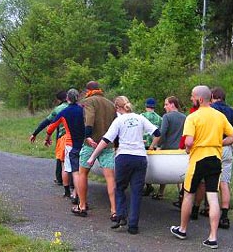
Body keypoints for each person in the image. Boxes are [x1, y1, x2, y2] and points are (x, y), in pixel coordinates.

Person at [170, 85, 233, 249]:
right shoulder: (220, 116)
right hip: (215, 158)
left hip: (198, 159)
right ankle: (213, 237)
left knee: (188, 195)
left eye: (192, 96)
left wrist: (187, 149)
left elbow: (189, 141)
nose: (191, 99)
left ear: (200, 99)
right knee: (213, 196)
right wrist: (219, 143)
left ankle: (183, 229)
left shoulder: (193, 117)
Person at [87, 96, 160, 234]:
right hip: (140, 158)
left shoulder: (118, 120)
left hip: (124, 157)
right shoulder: (140, 118)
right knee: (137, 192)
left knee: (120, 188)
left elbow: (105, 140)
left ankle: (121, 217)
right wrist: (151, 146)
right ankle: (133, 226)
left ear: (117, 108)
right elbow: (157, 133)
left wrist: (92, 157)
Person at [206, 86, 233, 229]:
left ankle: (206, 208)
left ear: (212, 96)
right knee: (224, 182)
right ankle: (224, 216)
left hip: (212, 147)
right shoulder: (232, 112)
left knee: (208, 179)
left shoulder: (210, 110)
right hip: (227, 148)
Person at [77, 81, 117, 219]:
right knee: (110, 177)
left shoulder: (89, 101)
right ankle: (114, 210)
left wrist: (87, 135)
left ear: (88, 90)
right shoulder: (111, 104)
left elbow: (90, 118)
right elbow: (115, 124)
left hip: (91, 143)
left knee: (83, 173)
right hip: (107, 145)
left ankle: (82, 206)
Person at [44, 89, 85, 210]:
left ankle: (70, 193)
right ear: (78, 97)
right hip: (83, 143)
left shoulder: (64, 112)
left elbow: (51, 127)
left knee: (69, 169)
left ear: (67, 98)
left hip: (70, 143)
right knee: (81, 171)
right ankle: (77, 195)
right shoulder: (83, 109)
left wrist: (47, 137)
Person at [29, 91, 70, 196]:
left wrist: (35, 133)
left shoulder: (58, 109)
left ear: (59, 100)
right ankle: (73, 181)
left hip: (62, 136)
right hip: (76, 136)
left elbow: (47, 122)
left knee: (60, 157)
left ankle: (60, 179)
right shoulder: (78, 107)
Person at [150, 96, 186, 201]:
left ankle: (161, 193)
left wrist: (154, 145)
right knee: (179, 172)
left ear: (172, 105)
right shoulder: (184, 117)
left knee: (165, 171)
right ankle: (181, 194)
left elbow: (162, 133)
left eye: (166, 104)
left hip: (167, 149)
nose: (164, 107)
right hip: (180, 149)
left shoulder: (166, 117)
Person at [140, 97, 162, 197]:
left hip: (143, 143)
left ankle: (146, 185)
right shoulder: (159, 118)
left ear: (146, 106)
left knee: (143, 165)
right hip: (153, 143)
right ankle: (149, 185)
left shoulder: (142, 116)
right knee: (151, 164)